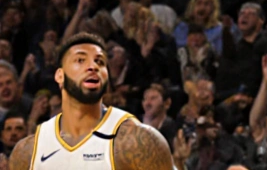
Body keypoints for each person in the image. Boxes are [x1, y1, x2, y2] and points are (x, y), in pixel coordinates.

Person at [8, 33, 173, 169]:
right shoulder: (28, 151)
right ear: (60, 76)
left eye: (100, 62)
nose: (93, 66)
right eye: (80, 60)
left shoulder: (138, 141)